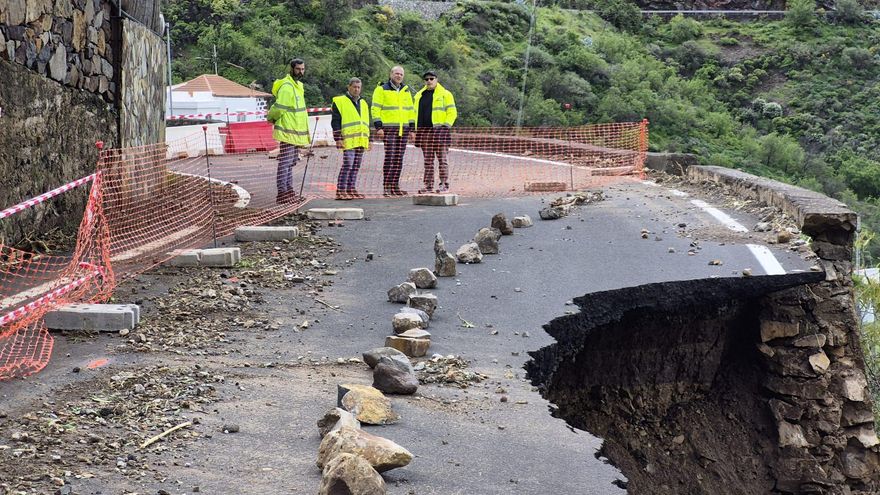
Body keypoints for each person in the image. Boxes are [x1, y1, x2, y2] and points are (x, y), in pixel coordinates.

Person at [267, 58, 310, 203]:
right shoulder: (287, 87)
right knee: (285, 163)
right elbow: (279, 108)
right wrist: (271, 118)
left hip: (295, 132)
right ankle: (282, 193)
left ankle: (289, 192)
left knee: (290, 163)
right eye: (298, 69)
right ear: (291, 69)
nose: (301, 72)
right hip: (287, 131)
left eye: (303, 69)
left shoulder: (298, 86)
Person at [371, 66, 415, 197]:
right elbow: (375, 109)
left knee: (398, 158)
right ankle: (386, 186)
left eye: (401, 74)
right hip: (389, 129)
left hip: (403, 129)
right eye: (396, 73)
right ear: (391, 74)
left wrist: (412, 129)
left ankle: (395, 186)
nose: (399, 76)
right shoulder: (381, 89)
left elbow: (410, 110)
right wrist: (379, 127)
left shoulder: (406, 91)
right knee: (390, 157)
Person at [413, 70, 457, 193]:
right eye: (426, 79)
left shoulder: (445, 94)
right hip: (424, 132)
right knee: (428, 161)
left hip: (440, 132)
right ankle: (428, 186)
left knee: (442, 160)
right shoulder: (419, 96)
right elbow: (414, 114)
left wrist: (445, 127)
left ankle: (444, 184)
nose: (429, 81)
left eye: (431, 78)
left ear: (436, 79)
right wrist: (415, 130)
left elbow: (452, 112)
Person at [331, 77, 370, 200]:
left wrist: (370, 139)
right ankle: (341, 190)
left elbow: (366, 122)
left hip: (361, 139)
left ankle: (351, 189)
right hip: (347, 140)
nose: (356, 89)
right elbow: (335, 122)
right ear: (349, 87)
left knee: (356, 165)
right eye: (354, 87)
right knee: (348, 164)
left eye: (358, 87)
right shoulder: (340, 102)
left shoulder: (363, 103)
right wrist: (338, 138)